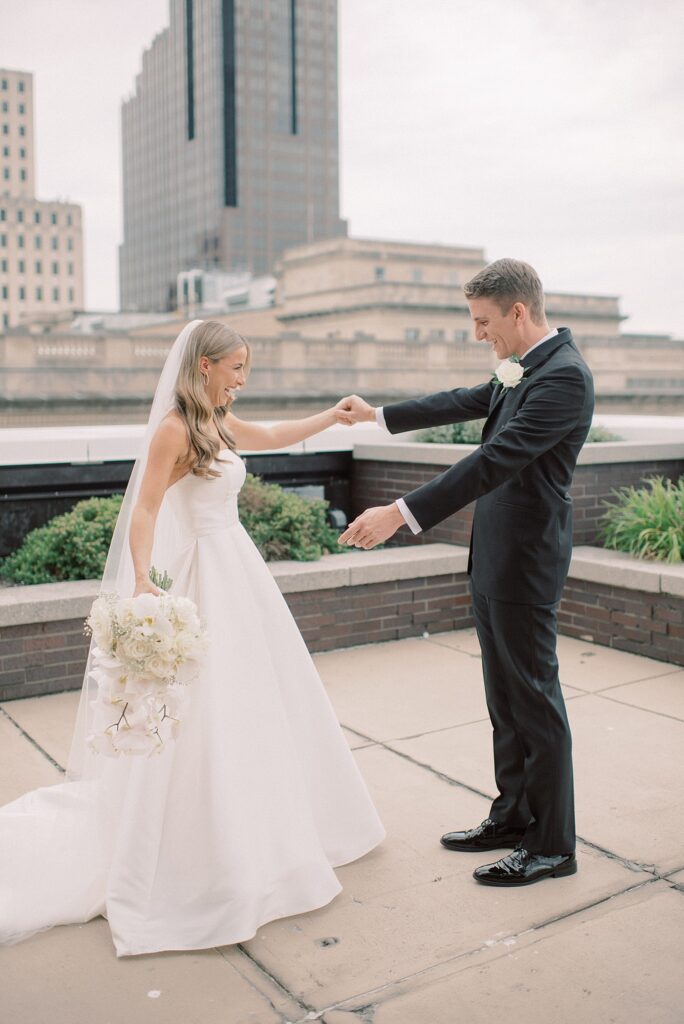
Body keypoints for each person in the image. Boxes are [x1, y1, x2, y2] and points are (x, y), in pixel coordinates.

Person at [0, 320, 384, 956]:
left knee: (255, 702)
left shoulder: (218, 421)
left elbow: (274, 435)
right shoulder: (176, 427)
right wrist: (145, 579)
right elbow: (146, 507)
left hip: (239, 571)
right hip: (201, 578)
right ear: (202, 366)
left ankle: (263, 829)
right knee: (204, 710)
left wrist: (332, 419)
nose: (241, 379)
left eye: (245, 370)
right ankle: (195, 846)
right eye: (235, 368)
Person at [337, 258, 594, 887]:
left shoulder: (564, 378)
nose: (480, 335)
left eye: (484, 323)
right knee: (504, 700)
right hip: (494, 556)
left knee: (534, 700)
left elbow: (494, 459)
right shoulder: (523, 365)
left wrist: (401, 513)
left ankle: (553, 845)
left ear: (518, 312)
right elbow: (472, 400)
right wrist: (377, 416)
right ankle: (512, 818)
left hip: (527, 562)